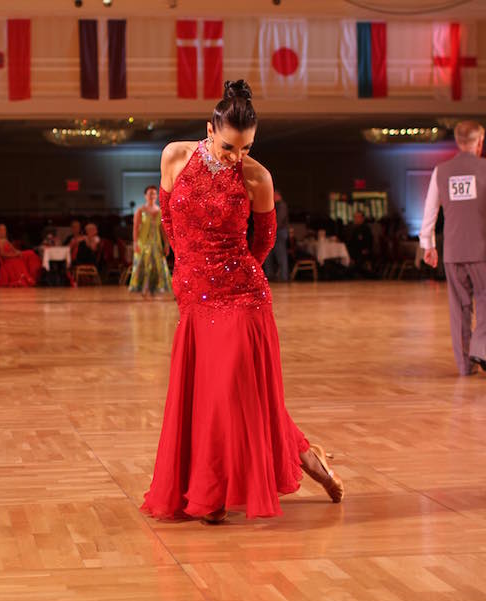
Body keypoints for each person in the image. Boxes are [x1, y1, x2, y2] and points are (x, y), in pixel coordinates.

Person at [141, 80, 344, 524]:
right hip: (193, 294)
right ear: (210, 130)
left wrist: (228, 271)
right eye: (231, 147)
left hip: (243, 295)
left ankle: (220, 493)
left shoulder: (257, 177)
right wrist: (190, 275)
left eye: (247, 147)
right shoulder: (176, 156)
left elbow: (264, 241)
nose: (238, 157)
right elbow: (172, 226)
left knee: (234, 395)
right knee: (215, 396)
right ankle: (301, 462)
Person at [421, 120, 486, 376]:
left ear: (458, 142)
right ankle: (479, 348)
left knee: (460, 308)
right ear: (480, 142)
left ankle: (465, 365)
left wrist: (428, 244)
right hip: (482, 249)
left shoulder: (440, 171)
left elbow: (430, 211)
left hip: (453, 251)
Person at [128, 185, 171, 297]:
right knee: (144, 263)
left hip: (156, 242)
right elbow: (136, 229)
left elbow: (163, 230)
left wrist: (166, 244)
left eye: (154, 194)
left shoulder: (160, 211)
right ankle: (144, 289)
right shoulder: (140, 210)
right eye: (150, 194)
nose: (152, 196)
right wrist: (135, 243)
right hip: (143, 242)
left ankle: (157, 287)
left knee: (157, 263)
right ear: (145, 196)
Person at [263, 189, 290, 282]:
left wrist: (270, 227)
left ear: (278, 196)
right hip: (275, 232)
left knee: (281, 255)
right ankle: (271, 275)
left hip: (280, 232)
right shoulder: (276, 205)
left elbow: (279, 220)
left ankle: (283, 276)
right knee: (271, 255)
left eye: (273, 195)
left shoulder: (282, 206)